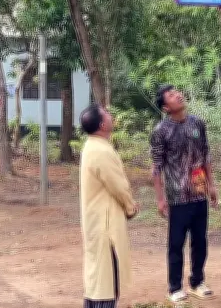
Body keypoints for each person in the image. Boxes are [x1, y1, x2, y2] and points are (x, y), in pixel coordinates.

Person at [150, 85, 218, 303]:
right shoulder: (161, 131)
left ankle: (197, 282)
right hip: (177, 197)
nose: (178, 95)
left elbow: (205, 155)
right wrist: (160, 199)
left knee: (200, 241)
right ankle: (174, 287)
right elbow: (157, 167)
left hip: (199, 193)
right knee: (176, 243)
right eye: (171, 95)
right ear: (165, 107)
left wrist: (212, 185)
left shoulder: (197, 123)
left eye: (177, 92)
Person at [79, 104, 139, 308]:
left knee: (98, 277)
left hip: (97, 221)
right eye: (108, 114)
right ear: (103, 124)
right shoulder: (100, 150)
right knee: (105, 280)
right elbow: (118, 186)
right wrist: (130, 207)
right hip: (105, 224)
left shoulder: (92, 146)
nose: (112, 116)